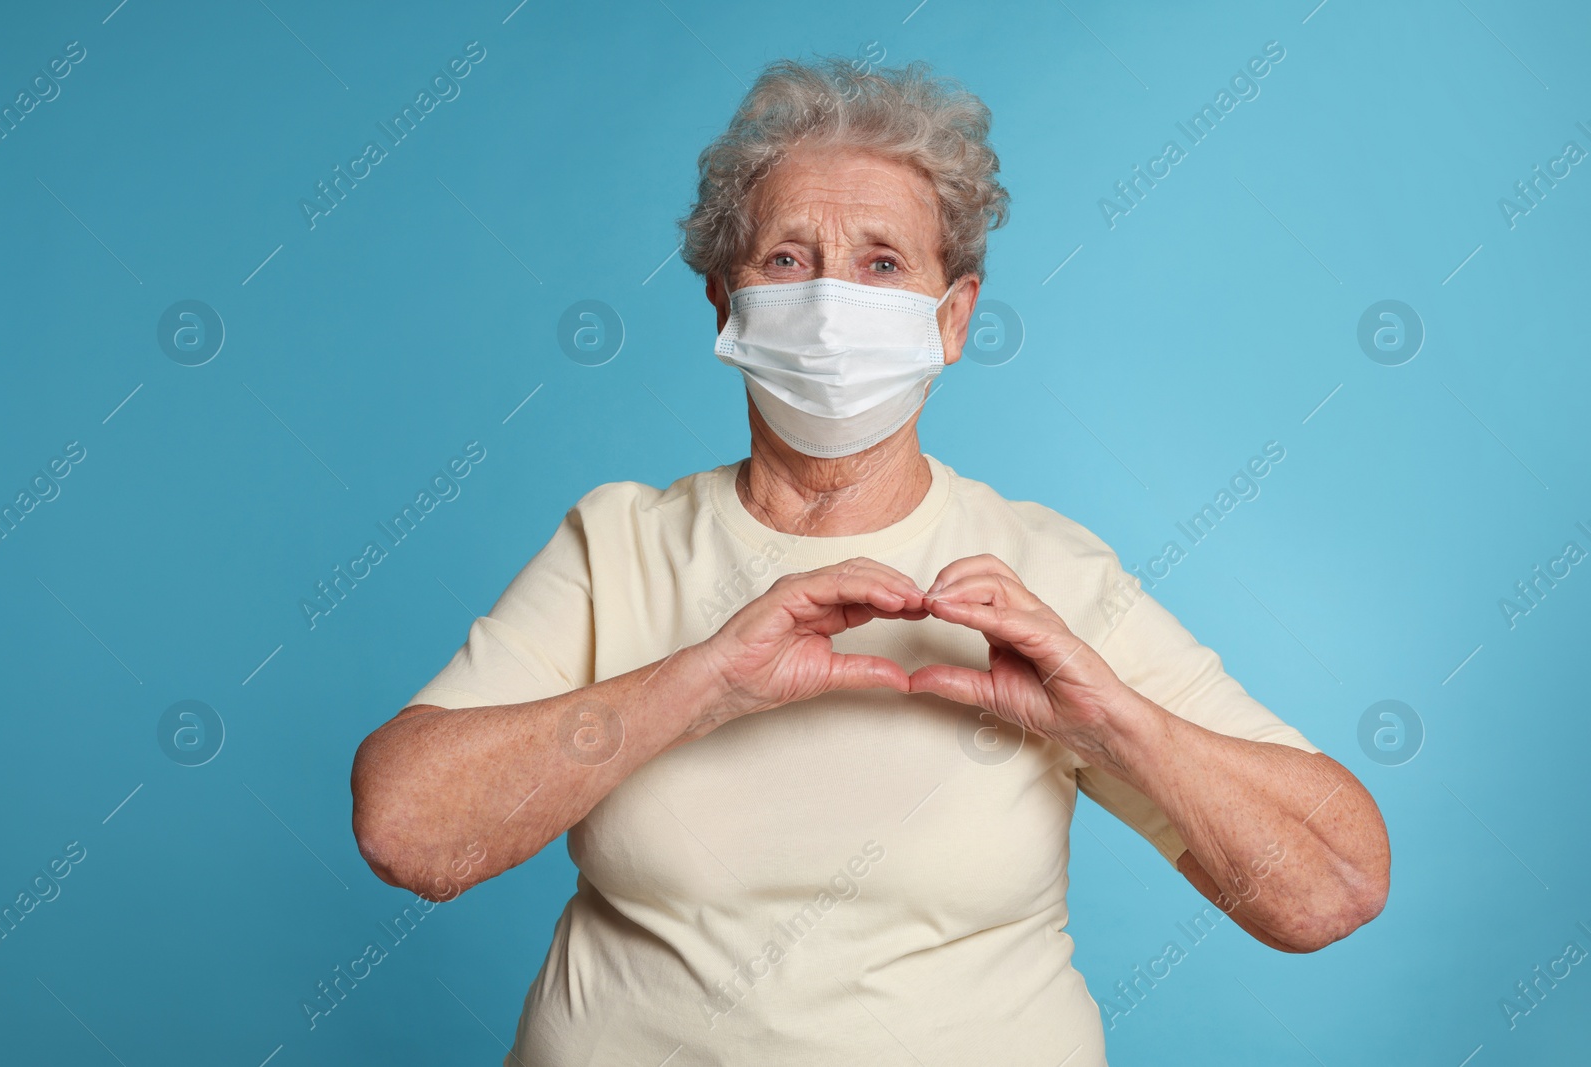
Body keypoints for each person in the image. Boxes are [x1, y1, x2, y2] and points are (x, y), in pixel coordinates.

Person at [350, 56, 1390, 1066]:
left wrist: (1109, 717)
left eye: (882, 262)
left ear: (953, 316)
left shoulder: (1048, 572)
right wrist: (702, 680)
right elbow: (407, 830)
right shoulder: (617, 543)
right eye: (788, 259)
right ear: (725, 302)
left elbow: (1330, 887)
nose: (831, 302)